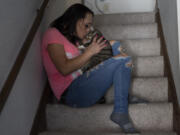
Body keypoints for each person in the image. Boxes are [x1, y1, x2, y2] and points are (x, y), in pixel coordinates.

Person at [41, 3, 140, 133]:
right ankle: (120, 112)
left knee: (115, 45)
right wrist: (89, 52)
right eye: (86, 25)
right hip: (72, 93)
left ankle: (123, 96)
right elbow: (64, 68)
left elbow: (87, 61)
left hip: (83, 80)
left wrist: (103, 48)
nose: (89, 30)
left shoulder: (73, 39)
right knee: (123, 60)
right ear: (75, 20)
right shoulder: (52, 34)